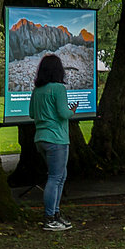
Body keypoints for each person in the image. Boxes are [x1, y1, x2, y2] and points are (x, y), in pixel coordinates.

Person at [31, 53, 74, 231]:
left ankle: (56, 214)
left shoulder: (37, 91)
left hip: (40, 137)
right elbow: (64, 113)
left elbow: (32, 114)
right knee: (56, 177)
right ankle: (50, 217)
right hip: (57, 139)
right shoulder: (58, 89)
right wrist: (73, 111)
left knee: (59, 176)